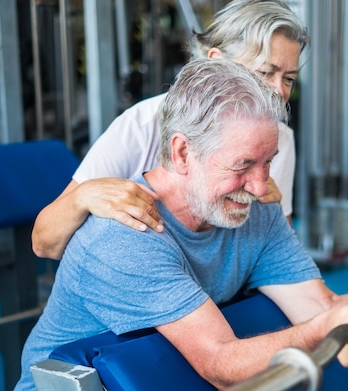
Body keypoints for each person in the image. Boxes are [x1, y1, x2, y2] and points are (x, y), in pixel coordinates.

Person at [8, 58, 348, 391]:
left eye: (268, 161)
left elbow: (319, 309)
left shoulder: (253, 209)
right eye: (243, 164)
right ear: (182, 154)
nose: (260, 184)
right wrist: (332, 327)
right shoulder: (127, 236)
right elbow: (221, 363)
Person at [31, 0, 308, 260]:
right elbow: (44, 243)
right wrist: (84, 197)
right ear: (216, 62)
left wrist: (273, 210)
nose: (277, 90)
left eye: (289, 79)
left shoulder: (279, 139)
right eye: (264, 73)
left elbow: (279, 257)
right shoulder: (141, 125)